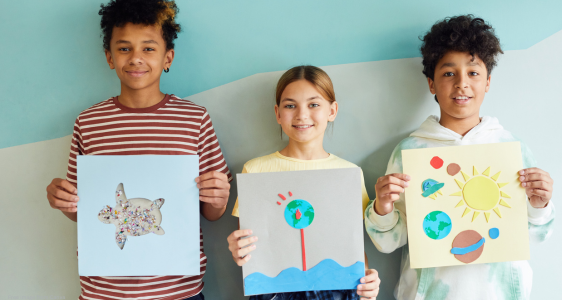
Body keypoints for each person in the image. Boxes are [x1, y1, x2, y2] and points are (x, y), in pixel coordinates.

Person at [45, 1, 230, 299]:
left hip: (177, 289)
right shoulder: (89, 122)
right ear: (109, 57)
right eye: (124, 48)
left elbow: (211, 213)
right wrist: (63, 200)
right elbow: (85, 210)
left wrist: (219, 198)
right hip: (104, 290)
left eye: (148, 48)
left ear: (167, 57)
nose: (135, 58)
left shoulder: (194, 119)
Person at [365, 15, 555, 300]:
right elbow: (389, 242)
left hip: (501, 292)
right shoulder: (410, 151)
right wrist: (382, 208)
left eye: (473, 73)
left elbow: (535, 236)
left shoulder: (511, 147)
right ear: (431, 84)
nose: (462, 83)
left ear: (488, 82)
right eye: (449, 73)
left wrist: (539, 206)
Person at [227, 65, 381, 300]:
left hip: (338, 292)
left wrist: (368, 280)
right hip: (274, 291)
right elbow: (248, 247)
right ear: (278, 113)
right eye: (290, 105)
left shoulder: (348, 173)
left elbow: (352, 248)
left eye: (313, 104)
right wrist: (238, 250)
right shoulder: (255, 171)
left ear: (332, 110)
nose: (301, 115)